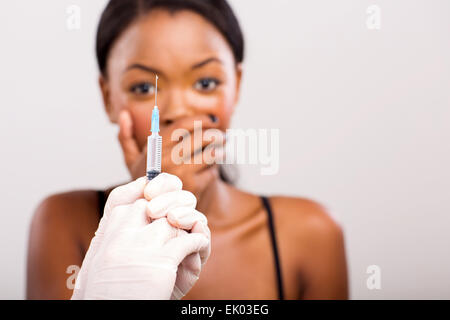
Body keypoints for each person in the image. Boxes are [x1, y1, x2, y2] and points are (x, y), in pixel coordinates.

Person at [27, 0, 348, 299]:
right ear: (108, 97)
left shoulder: (310, 234)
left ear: (236, 87)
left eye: (206, 83)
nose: (178, 110)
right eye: (144, 88)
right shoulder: (63, 222)